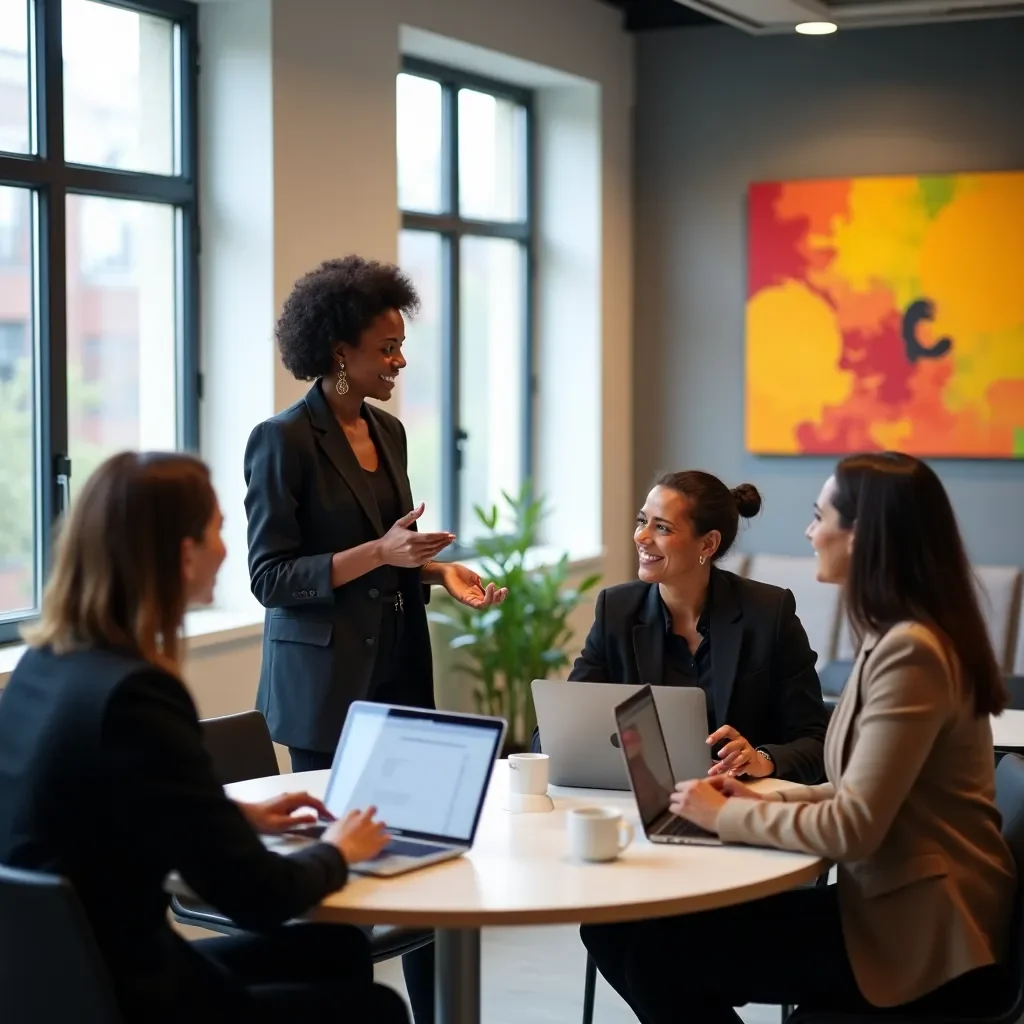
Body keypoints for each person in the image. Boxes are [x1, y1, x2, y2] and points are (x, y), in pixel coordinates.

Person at [582, 452, 1016, 1023]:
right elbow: (854, 791)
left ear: (863, 536)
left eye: (820, 516)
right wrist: (768, 794)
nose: (809, 531)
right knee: (635, 936)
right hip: (893, 904)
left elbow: (854, 826)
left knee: (652, 949)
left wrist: (722, 816)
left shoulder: (911, 652)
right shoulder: (897, 635)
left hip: (920, 928)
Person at [0, 452, 408, 1024]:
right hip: (131, 996)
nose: (226, 547)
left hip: (52, 981)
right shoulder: (136, 695)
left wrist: (234, 819)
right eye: (218, 529)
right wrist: (339, 849)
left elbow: (104, 816)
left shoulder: (43, 669)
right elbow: (259, 897)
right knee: (377, 1008)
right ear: (183, 554)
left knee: (334, 948)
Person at [243, 255, 507, 1022]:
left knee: (423, 862)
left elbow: (388, 550)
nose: (399, 360)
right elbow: (271, 578)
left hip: (397, 669)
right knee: (344, 877)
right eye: (385, 347)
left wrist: (435, 572)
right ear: (337, 353)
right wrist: (382, 556)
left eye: (400, 345)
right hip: (324, 690)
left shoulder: (387, 430)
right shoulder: (283, 440)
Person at [539, 471, 828, 784]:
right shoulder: (617, 610)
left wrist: (762, 759)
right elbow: (555, 736)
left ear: (708, 543)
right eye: (642, 521)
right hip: (640, 802)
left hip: (739, 804)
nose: (641, 536)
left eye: (662, 527)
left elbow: (817, 742)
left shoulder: (768, 612)